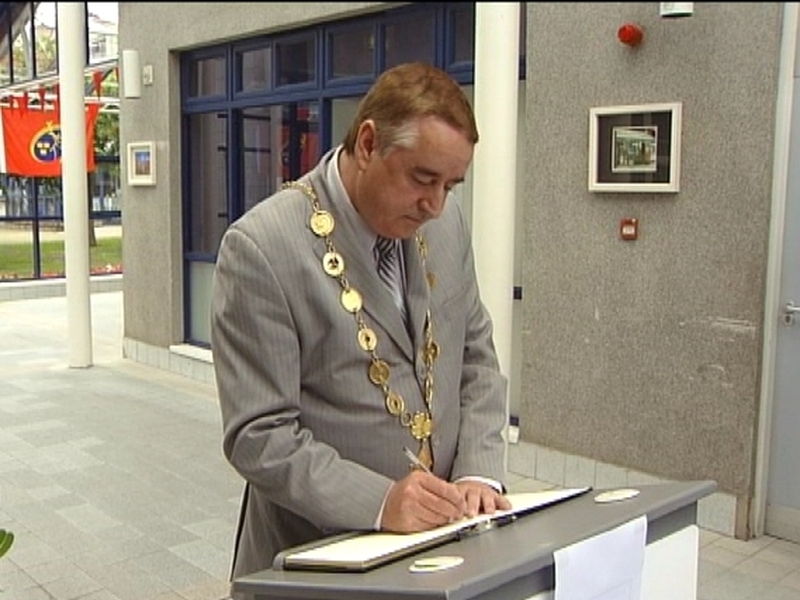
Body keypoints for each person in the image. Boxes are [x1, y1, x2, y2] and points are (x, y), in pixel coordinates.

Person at [210, 61, 511, 582]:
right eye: (422, 178)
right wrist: (381, 502)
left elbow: (476, 353)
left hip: (439, 551)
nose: (436, 205)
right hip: (320, 563)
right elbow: (260, 436)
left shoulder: (444, 224)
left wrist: (480, 471)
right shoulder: (262, 248)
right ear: (368, 144)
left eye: (451, 185)